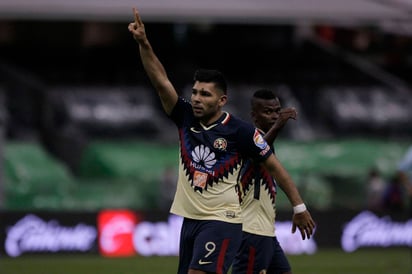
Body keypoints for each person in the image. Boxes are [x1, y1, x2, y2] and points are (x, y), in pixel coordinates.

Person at [128, 8, 315, 274]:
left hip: (221, 220)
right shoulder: (184, 117)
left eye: (205, 94)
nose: (196, 98)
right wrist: (144, 43)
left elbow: (275, 167)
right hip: (190, 221)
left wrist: (299, 206)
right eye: (194, 92)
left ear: (222, 100)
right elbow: (161, 81)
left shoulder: (239, 131)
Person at [232, 89, 300, 274]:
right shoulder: (247, 139)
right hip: (251, 230)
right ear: (254, 116)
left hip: (266, 232)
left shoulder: (266, 143)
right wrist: (278, 125)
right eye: (267, 112)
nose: (274, 116)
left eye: (277, 111)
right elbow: (256, 153)